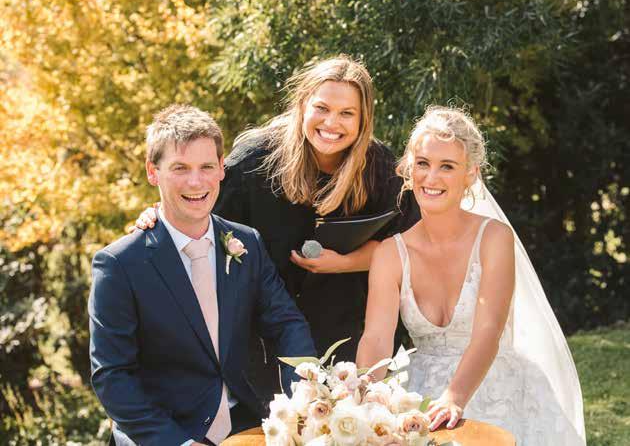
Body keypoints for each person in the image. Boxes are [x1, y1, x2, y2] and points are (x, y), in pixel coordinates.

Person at [134, 56, 419, 395]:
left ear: (364, 118)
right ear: (303, 105)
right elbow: (201, 212)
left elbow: (411, 247)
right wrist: (160, 217)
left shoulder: (380, 167)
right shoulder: (255, 160)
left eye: (347, 113)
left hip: (346, 335)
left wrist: (345, 263)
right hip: (261, 340)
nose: (331, 122)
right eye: (322, 108)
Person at [356, 106, 586, 445]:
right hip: (418, 394)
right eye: (423, 163)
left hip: (496, 387)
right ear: (408, 168)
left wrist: (454, 398)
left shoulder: (494, 238)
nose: (431, 178)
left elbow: (489, 331)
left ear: (471, 174)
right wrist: (365, 399)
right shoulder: (390, 253)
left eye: (447, 166)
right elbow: (376, 338)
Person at [89, 105, 316, 446]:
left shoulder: (248, 244)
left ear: (222, 168)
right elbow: (112, 376)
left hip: (243, 424)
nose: (196, 182)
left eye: (206, 167)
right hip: (163, 433)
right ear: (153, 172)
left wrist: (302, 396)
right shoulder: (119, 264)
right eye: (180, 168)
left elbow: (287, 324)